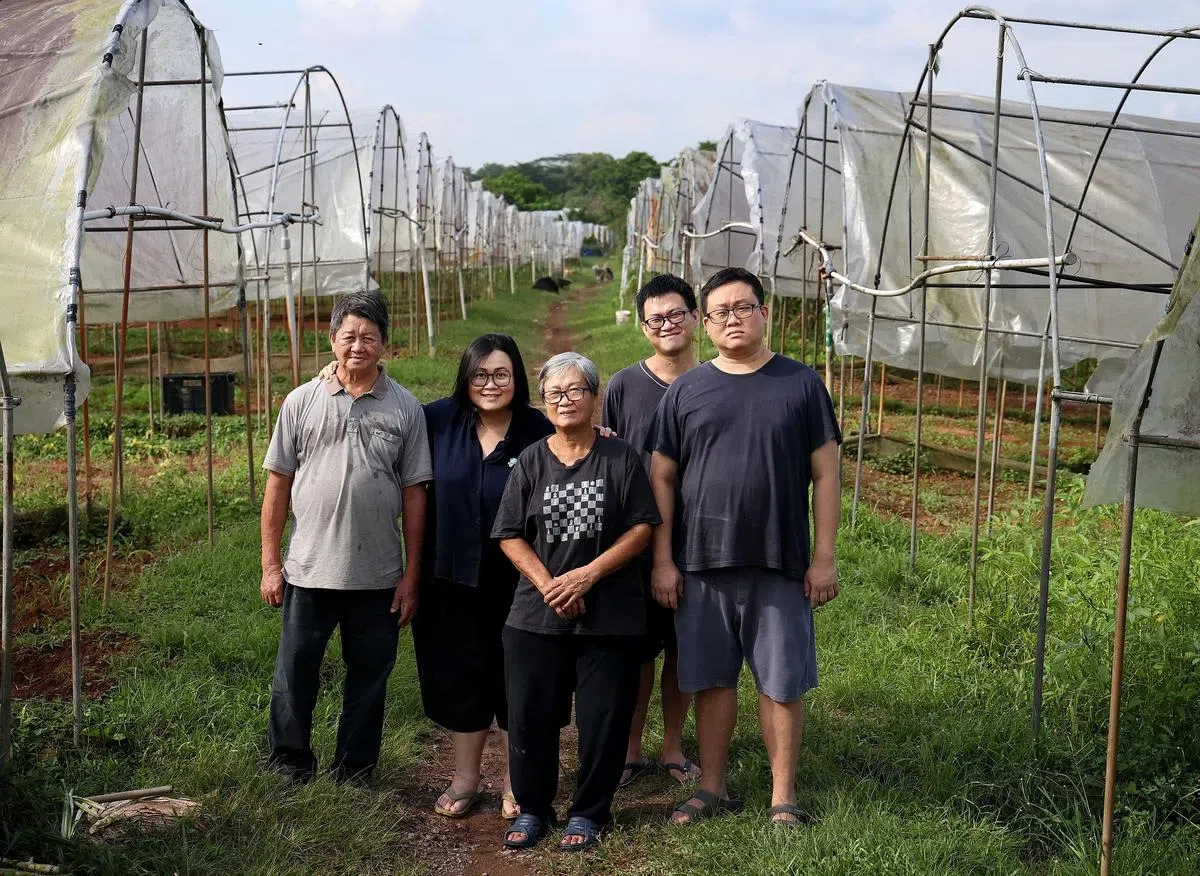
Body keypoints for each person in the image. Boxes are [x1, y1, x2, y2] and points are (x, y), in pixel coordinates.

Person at [648, 267, 841, 827]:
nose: (732, 318)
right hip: (701, 560)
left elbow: (827, 474)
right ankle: (712, 786)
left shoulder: (801, 384)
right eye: (720, 311)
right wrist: (663, 560)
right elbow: (662, 477)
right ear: (704, 324)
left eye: (743, 307)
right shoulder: (687, 390)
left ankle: (783, 796)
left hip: (779, 559)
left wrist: (823, 557)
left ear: (764, 313)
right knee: (711, 679)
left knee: (781, 682)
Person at [492, 352, 662, 852]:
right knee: (530, 714)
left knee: (604, 718)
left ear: (594, 397)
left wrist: (587, 576)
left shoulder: (620, 458)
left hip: (610, 614)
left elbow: (642, 527)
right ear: (544, 404)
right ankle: (534, 808)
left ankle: (589, 811)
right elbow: (508, 534)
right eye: (554, 393)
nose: (564, 400)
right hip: (535, 612)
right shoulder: (531, 460)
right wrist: (550, 584)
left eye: (574, 391)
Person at [261, 291, 431, 785]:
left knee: (369, 679)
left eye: (369, 337)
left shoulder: (405, 408)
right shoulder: (301, 401)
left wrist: (411, 576)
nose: (358, 345)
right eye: (349, 336)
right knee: (295, 673)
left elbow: (416, 495)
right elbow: (277, 487)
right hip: (308, 570)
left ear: (384, 346)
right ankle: (290, 761)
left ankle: (355, 768)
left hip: (378, 574)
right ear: (332, 339)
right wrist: (272, 565)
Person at [411, 334, 553, 821]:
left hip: (522, 580)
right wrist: (333, 374)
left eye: (502, 375)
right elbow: (384, 411)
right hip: (450, 577)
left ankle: (516, 778)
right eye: (480, 375)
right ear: (465, 378)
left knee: (519, 676)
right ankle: (465, 777)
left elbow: (582, 444)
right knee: (460, 674)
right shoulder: (436, 422)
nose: (490, 384)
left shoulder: (538, 427)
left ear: (517, 378)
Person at [602, 274, 701, 788]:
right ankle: (631, 749)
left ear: (695, 317)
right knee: (637, 648)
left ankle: (674, 748)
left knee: (684, 645)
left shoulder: (715, 380)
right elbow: (612, 453)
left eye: (676, 314)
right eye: (655, 319)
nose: (667, 325)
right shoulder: (624, 385)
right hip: (636, 537)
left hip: (697, 535)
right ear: (644, 328)